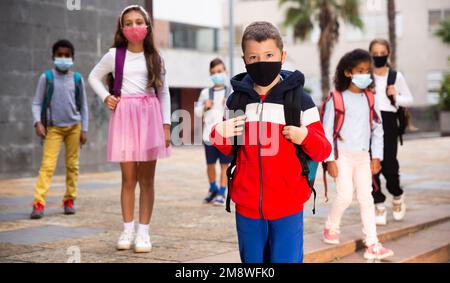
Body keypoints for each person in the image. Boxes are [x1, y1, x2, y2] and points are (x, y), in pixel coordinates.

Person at [210, 21, 331, 263]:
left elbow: (323, 149)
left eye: (268, 55)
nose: (261, 62)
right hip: (247, 207)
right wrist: (218, 133)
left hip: (288, 205)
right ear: (244, 59)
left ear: (282, 56)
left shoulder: (301, 100)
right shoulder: (236, 101)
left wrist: (304, 136)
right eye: (253, 57)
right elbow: (230, 149)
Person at [88, 5, 171, 253]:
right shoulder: (114, 56)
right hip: (125, 117)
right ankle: (127, 229)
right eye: (129, 23)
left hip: (149, 118)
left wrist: (166, 125)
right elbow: (93, 76)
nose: (134, 27)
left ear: (147, 27)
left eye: (138, 22)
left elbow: (164, 92)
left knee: (147, 180)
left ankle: (143, 233)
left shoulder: (156, 57)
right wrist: (106, 97)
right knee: (128, 178)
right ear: (122, 29)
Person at [322, 49, 394, 260]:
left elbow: (377, 129)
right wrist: (329, 160)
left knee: (366, 197)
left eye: (367, 71)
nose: (365, 75)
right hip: (341, 156)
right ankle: (331, 227)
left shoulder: (371, 98)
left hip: (363, 157)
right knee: (344, 195)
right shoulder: (336, 98)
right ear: (347, 73)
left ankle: (372, 243)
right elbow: (326, 132)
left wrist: (376, 156)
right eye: (360, 70)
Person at [30, 39, 89, 219]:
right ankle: (38, 203)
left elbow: (84, 106)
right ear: (53, 57)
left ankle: (69, 200)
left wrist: (84, 129)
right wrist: (37, 122)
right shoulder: (46, 78)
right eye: (60, 55)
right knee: (47, 166)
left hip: (74, 127)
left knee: (72, 166)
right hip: (53, 129)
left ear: (72, 58)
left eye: (67, 55)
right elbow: (36, 102)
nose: (63, 58)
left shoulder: (77, 79)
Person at [369, 39, 413, 225]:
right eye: (375, 53)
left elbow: (409, 99)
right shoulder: (366, 76)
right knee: (370, 167)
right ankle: (378, 202)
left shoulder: (395, 76)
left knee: (389, 166)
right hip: (367, 123)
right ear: (370, 54)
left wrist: (395, 95)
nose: (379, 56)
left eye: (382, 53)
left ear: (388, 53)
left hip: (388, 123)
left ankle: (397, 195)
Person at [194, 58, 233, 206]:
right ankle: (213, 189)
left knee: (224, 165)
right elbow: (197, 112)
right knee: (210, 164)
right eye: (213, 72)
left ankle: (222, 193)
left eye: (219, 71)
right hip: (208, 136)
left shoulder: (232, 93)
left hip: (226, 136)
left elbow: (239, 114)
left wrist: (229, 106)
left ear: (225, 72)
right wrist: (204, 107)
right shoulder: (205, 93)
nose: (217, 74)